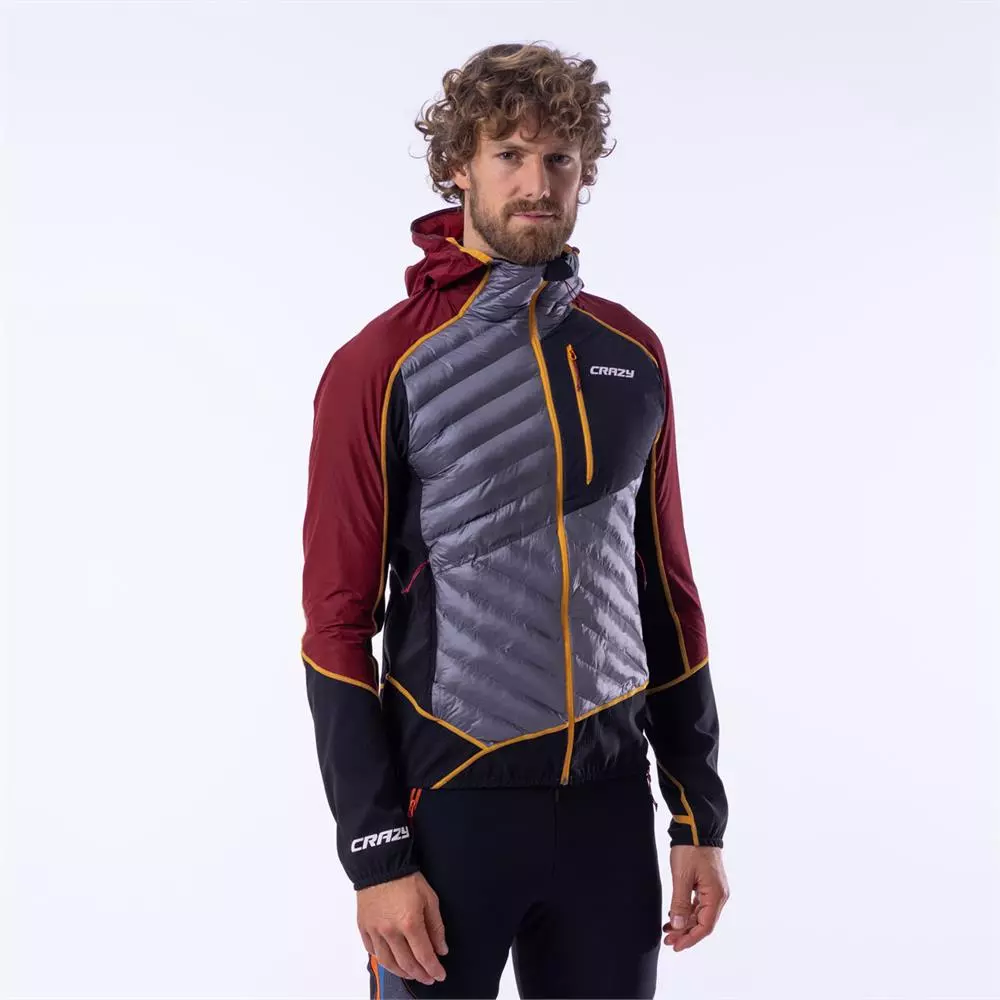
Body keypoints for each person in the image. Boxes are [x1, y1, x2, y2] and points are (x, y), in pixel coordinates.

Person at [300, 42, 730, 999]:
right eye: (509, 154)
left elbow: (667, 591)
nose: (538, 184)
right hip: (451, 812)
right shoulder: (379, 365)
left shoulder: (631, 351)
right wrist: (375, 854)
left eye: (560, 158)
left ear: (585, 172)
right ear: (459, 166)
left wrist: (698, 817)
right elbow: (335, 624)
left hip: (610, 813)